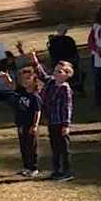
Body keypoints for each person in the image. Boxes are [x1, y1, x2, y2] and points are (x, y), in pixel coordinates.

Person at [31, 52, 76, 182]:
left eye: (60, 71)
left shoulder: (65, 88)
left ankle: (67, 171)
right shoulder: (51, 82)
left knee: (64, 148)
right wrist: (36, 62)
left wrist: (66, 125)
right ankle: (56, 170)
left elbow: (67, 107)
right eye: (56, 70)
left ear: (67, 74)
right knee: (54, 147)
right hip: (52, 121)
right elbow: (42, 75)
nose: (56, 73)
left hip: (60, 122)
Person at [0, 62, 43, 177]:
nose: (25, 81)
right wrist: (6, 78)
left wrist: (35, 126)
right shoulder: (21, 92)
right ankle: (26, 167)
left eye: (28, 79)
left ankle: (34, 168)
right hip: (21, 124)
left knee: (31, 147)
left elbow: (37, 112)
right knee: (23, 147)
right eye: (23, 79)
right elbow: (12, 85)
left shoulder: (35, 97)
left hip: (30, 125)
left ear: (34, 80)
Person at [48, 25, 83, 95]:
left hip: (57, 63)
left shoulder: (53, 41)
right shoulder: (69, 39)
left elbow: (51, 53)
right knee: (78, 71)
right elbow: (74, 51)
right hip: (68, 62)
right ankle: (77, 86)